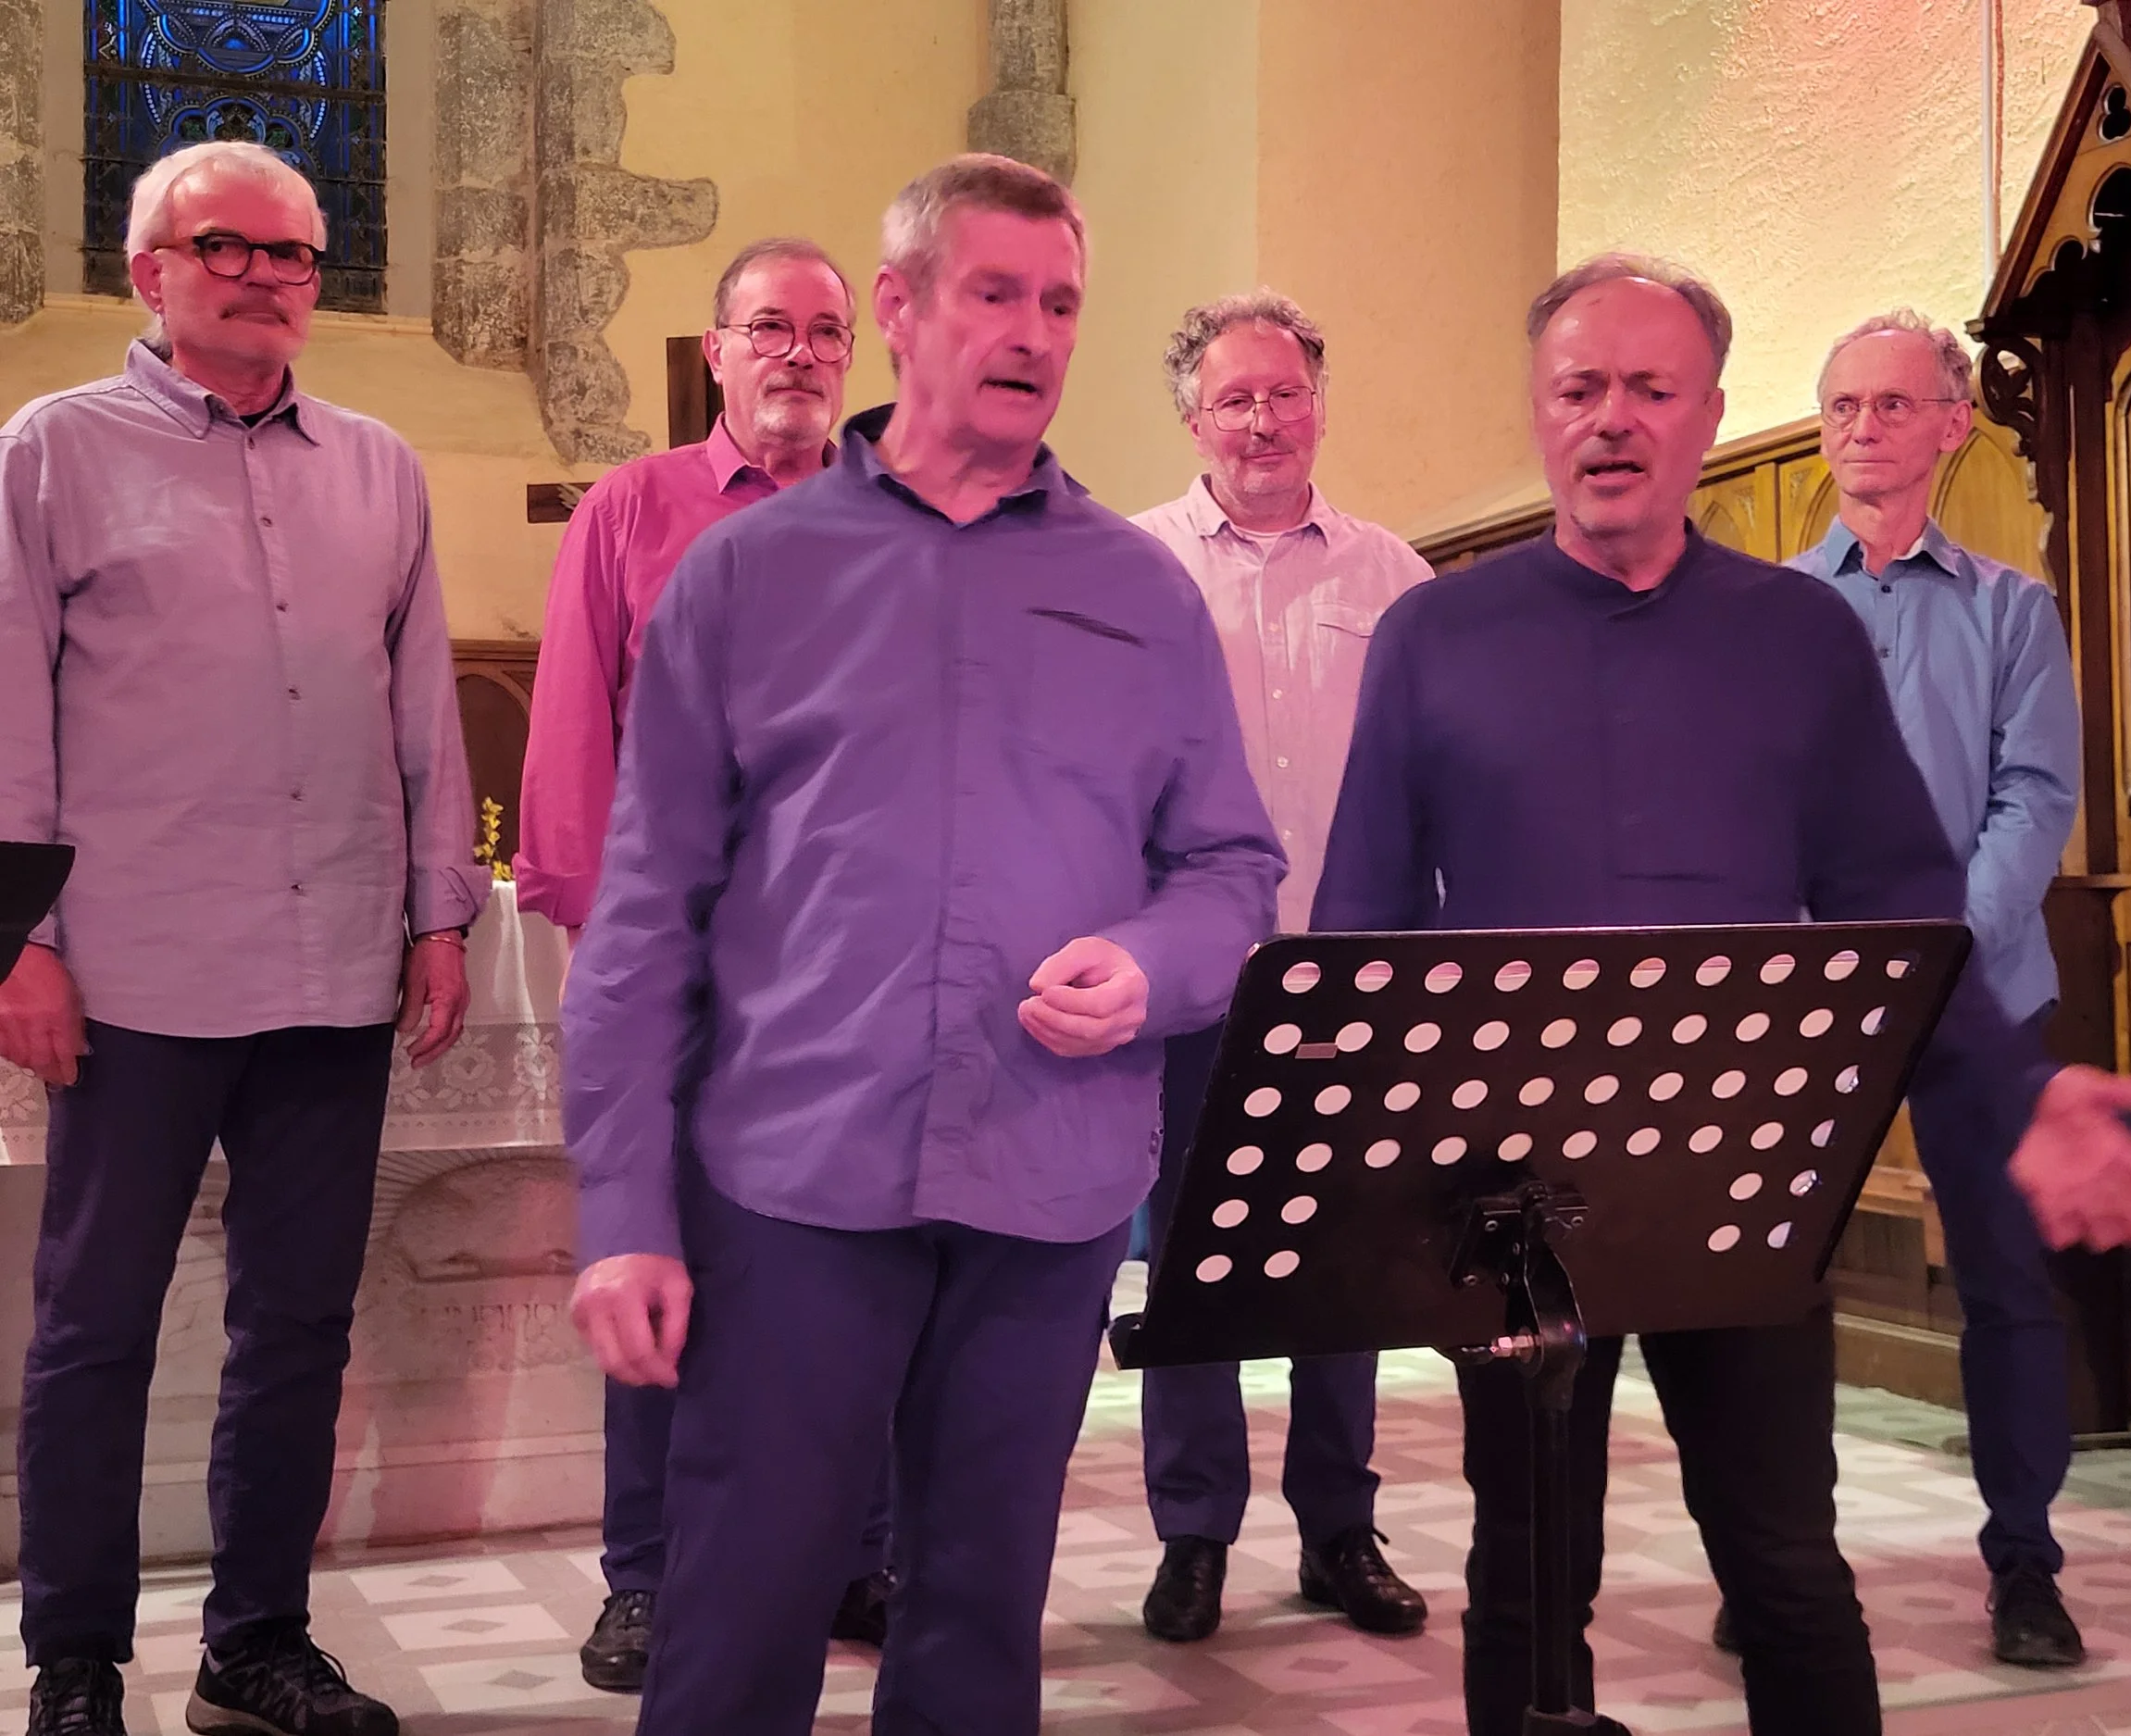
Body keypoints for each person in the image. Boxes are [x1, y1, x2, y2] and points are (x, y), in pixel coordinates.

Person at [1310, 253, 2131, 1736]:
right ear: (1538, 411)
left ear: (1710, 415)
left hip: (1741, 1176)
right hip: (1510, 1205)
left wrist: (2013, 1097)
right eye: (1579, 388)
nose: (1612, 420)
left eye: (1650, 389)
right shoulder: (1434, 638)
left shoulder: (1798, 639)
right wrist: (1369, 1199)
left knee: (1786, 1564)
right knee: (1530, 1579)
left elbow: (1897, 910)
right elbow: (1362, 939)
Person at [559, 153, 1284, 1735]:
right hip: (792, 1186)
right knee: (740, 1612)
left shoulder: (1142, 592)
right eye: (995, 292)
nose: (1034, 330)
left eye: (1063, 302)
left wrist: (1153, 968)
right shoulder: (747, 576)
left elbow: (1232, 868)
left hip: (1048, 1185)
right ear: (898, 310)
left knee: (973, 1623)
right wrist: (622, 1205)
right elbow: (644, 914)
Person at [0, 140, 486, 1736]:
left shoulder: (382, 467)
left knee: (298, 1322)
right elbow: (5, 716)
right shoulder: (51, 453)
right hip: (133, 965)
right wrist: (21, 940)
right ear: (152, 269)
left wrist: (437, 910)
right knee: (96, 1322)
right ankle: (74, 1658)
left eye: (299, 253)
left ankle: (255, 1642)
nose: (274, 276)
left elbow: (421, 709)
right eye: (234, 248)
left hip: (334, 960)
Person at [513, 234, 892, 1690]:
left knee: (859, 1270)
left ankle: (860, 1548)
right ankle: (647, 1573)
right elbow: (571, 727)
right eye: (768, 328)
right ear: (716, 351)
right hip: (681, 963)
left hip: (850, 977)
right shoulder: (634, 506)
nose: (798, 353)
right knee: (660, 1261)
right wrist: (605, 931)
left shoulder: (891, 512)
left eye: (824, 331)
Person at [1786, 308, 2087, 1667]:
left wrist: (1936, 951)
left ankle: (2026, 1563)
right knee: (1771, 1292)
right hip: (1818, 1011)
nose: (1861, 428)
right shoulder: (1780, 612)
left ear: (1953, 424)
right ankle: (1775, 1554)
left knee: (2011, 1284)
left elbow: (2034, 798)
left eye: (1891, 405)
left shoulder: (2016, 611)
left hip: (1982, 998)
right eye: (1843, 405)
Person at [1129, 290, 1429, 1644]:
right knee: (1202, 1264)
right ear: (1192, 414)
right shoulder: (1132, 567)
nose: (1263, 417)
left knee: (1344, 1266)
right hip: (1195, 981)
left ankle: (1339, 1527)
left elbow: (1437, 778)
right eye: (1236, 397)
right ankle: (1194, 1533)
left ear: (1321, 404)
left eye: (1286, 393)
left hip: (1352, 974)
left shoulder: (1396, 578)